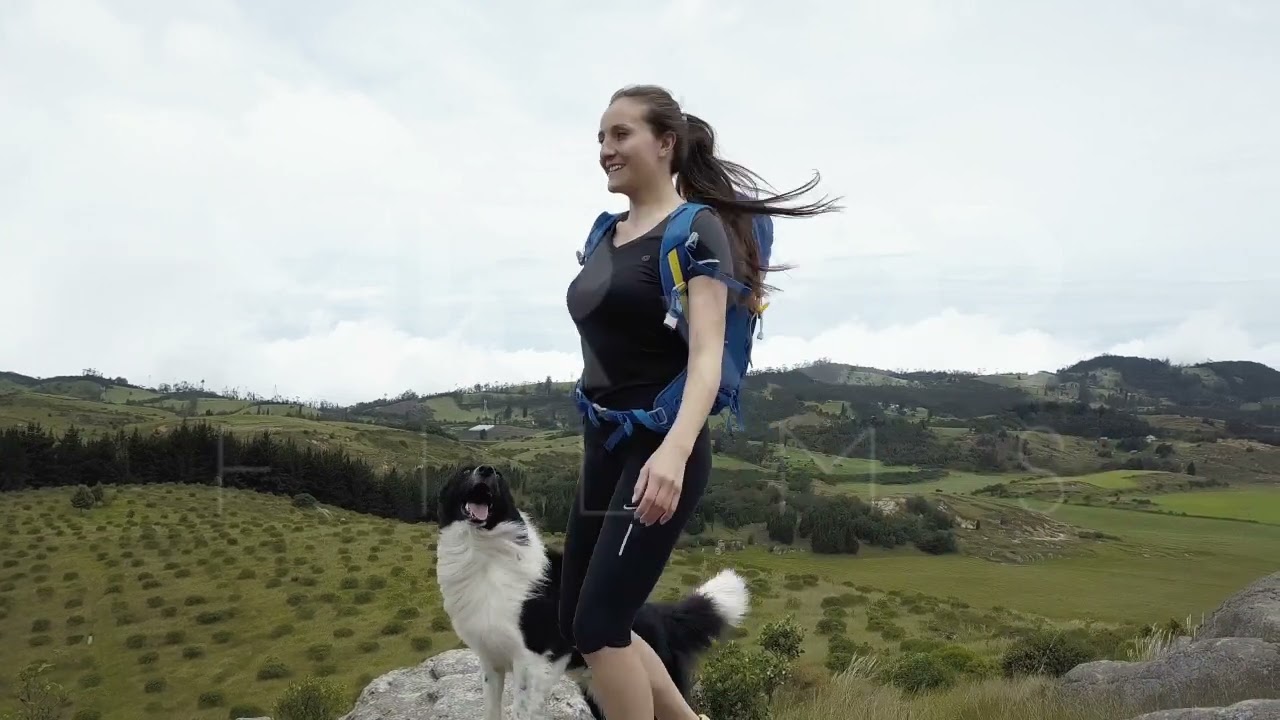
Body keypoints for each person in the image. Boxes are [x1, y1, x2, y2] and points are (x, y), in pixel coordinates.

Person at [561, 84, 841, 720]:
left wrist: (674, 453)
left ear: (665, 144)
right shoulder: (606, 232)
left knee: (599, 627)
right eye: (601, 138)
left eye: (620, 134)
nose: (606, 149)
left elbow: (706, 358)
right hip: (603, 442)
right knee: (582, 616)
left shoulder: (695, 231)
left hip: (661, 447)